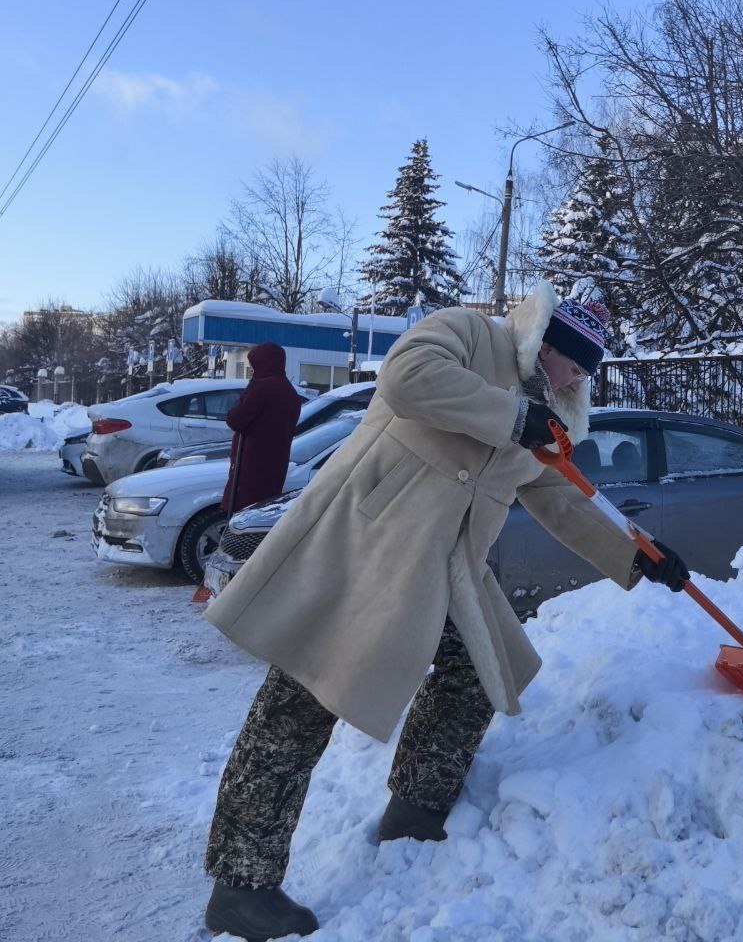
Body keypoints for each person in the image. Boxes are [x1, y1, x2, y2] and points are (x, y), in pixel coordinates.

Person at [200, 283, 691, 940]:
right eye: (575, 361)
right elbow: (406, 378)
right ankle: (241, 884)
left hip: (451, 567)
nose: (579, 377)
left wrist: (640, 555)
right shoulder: (467, 333)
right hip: (366, 545)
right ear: (547, 342)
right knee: (297, 708)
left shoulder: (546, 419)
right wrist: (510, 417)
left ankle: (417, 806)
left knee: (480, 672)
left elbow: (567, 502)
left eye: (586, 370)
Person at [221, 342, 303, 514]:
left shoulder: (260, 388)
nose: (252, 370)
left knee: (244, 514)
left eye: (253, 366)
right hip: (275, 464)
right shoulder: (290, 392)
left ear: (263, 363)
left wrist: (251, 386)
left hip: (251, 465)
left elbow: (235, 420)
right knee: (264, 511)